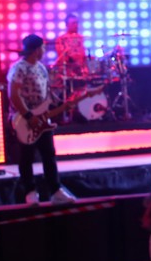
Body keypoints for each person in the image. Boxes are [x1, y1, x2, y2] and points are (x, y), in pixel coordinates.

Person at [7, 34, 77, 205]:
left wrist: (63, 104)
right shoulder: (19, 68)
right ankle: (30, 192)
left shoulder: (42, 68)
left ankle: (55, 191)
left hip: (42, 118)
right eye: (43, 47)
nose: (45, 51)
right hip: (24, 119)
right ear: (37, 50)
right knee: (27, 156)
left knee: (48, 154)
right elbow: (13, 95)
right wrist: (28, 115)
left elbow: (46, 95)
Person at [52, 15, 89, 87]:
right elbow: (62, 57)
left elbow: (82, 54)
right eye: (73, 23)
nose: (76, 25)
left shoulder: (80, 37)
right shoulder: (61, 39)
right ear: (67, 25)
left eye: (77, 23)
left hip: (81, 71)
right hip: (68, 72)